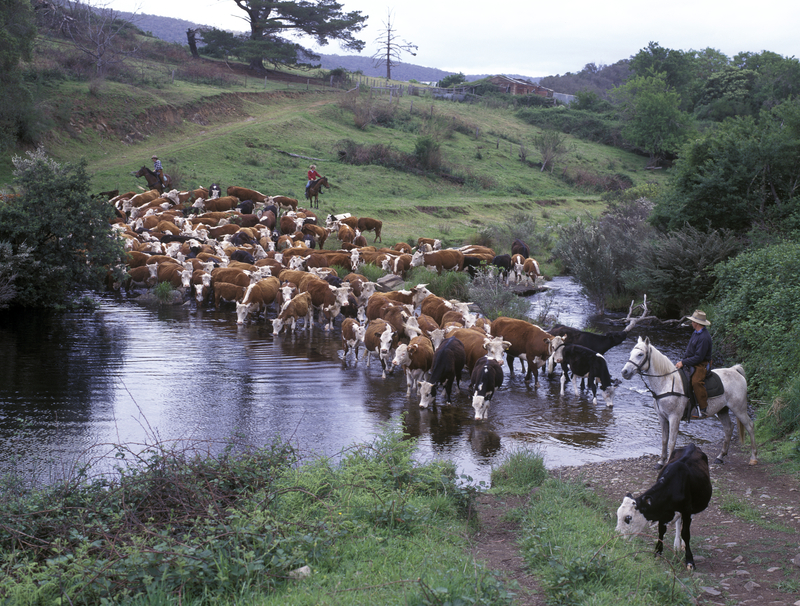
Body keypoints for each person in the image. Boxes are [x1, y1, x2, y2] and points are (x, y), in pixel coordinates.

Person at [675, 310, 713, 418]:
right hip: (691, 361)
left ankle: (703, 408)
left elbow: (699, 358)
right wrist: (683, 360)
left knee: (696, 382)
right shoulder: (695, 333)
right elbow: (689, 350)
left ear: (697, 323)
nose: (691, 323)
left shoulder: (704, 338)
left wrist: (683, 362)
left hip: (701, 364)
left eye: (693, 321)